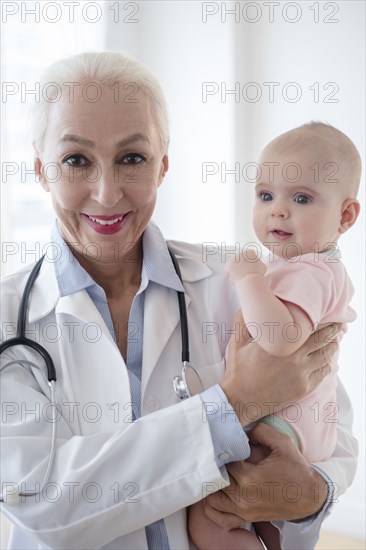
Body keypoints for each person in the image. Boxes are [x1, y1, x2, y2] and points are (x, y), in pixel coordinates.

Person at [0, 52, 357, 550]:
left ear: (163, 165)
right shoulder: (9, 320)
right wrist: (234, 405)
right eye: (76, 160)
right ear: (41, 170)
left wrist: (311, 498)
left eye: (132, 158)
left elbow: (331, 439)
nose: (106, 194)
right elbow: (39, 502)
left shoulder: (246, 281)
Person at [188, 122, 361, 549]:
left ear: (345, 216)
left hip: (281, 425)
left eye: (300, 198)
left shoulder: (312, 272)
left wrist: (249, 279)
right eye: (266, 195)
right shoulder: (302, 268)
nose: (277, 211)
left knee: (210, 520)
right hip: (291, 424)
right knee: (267, 525)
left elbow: (281, 338)